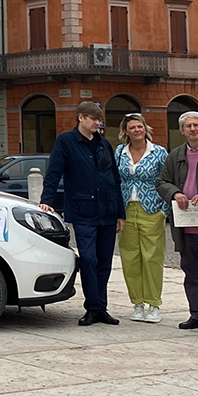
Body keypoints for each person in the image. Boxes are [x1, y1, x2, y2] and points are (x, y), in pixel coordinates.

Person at [41, 101, 124, 327]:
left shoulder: (104, 144)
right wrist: (46, 201)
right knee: (88, 258)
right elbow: (54, 173)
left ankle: (101, 307)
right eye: (94, 119)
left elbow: (114, 179)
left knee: (104, 262)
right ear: (81, 118)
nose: (98, 123)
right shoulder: (66, 141)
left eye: (100, 119)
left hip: (107, 211)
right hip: (83, 211)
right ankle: (92, 307)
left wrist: (120, 213)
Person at [156, 110, 198, 332]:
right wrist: (175, 193)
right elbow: (161, 181)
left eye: (196, 125)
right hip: (185, 226)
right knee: (191, 274)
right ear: (182, 131)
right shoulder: (175, 155)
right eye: (188, 126)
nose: (193, 129)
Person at [115, 113, 168, 323]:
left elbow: (168, 180)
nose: (137, 130)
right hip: (127, 209)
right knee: (130, 258)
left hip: (152, 209)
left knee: (152, 257)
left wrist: (164, 210)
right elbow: (115, 180)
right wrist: (117, 212)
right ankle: (137, 303)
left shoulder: (159, 152)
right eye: (132, 127)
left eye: (140, 126)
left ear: (145, 129)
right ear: (125, 131)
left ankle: (154, 303)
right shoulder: (120, 152)